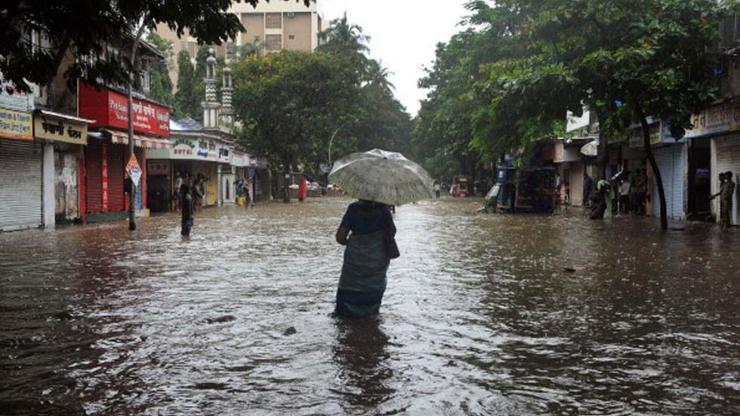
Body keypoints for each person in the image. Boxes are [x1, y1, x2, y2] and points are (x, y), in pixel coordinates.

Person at [335, 200, 396, 318]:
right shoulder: (384, 209)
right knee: (375, 287)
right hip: (378, 258)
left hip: (354, 258)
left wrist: (352, 243)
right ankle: (370, 316)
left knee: (348, 291)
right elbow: (392, 231)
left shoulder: (353, 209)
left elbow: (340, 237)